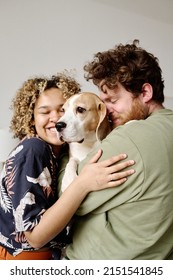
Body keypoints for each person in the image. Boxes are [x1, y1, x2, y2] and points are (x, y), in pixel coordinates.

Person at [0, 72, 135, 260]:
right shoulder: (33, 149)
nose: (57, 119)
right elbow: (34, 237)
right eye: (45, 112)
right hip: (25, 257)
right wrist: (84, 182)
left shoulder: (60, 152)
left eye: (63, 110)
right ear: (31, 118)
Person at [62, 40, 173, 260]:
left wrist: (67, 157)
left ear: (145, 92)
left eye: (112, 100)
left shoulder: (133, 135)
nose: (107, 110)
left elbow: (67, 201)